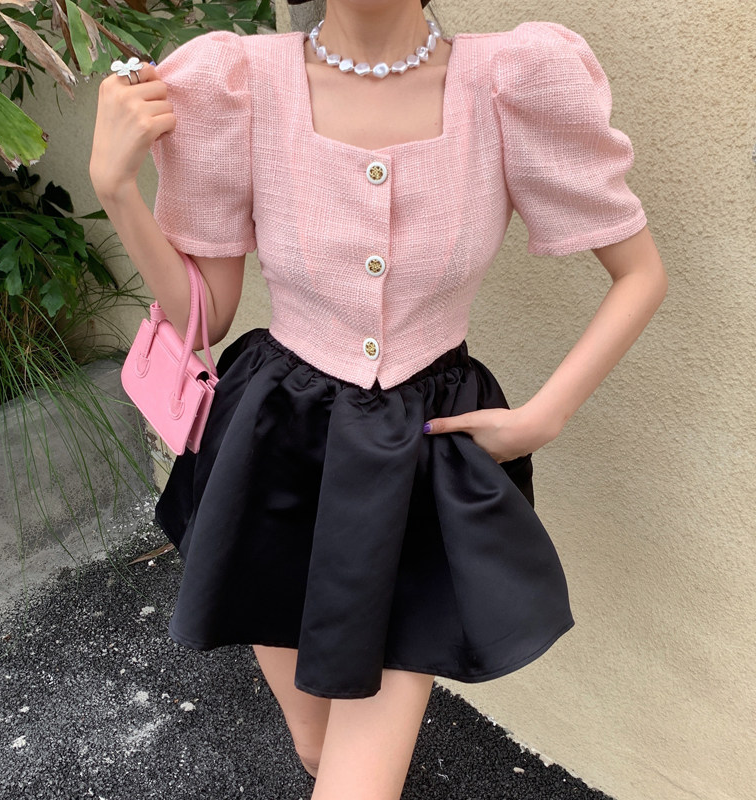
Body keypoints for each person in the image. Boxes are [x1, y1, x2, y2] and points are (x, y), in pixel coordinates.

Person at [90, 0, 667, 797]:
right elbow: (204, 318)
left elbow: (640, 274)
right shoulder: (236, 84)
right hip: (270, 451)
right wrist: (116, 187)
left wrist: (543, 416)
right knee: (317, 746)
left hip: (415, 470)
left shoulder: (511, 82)